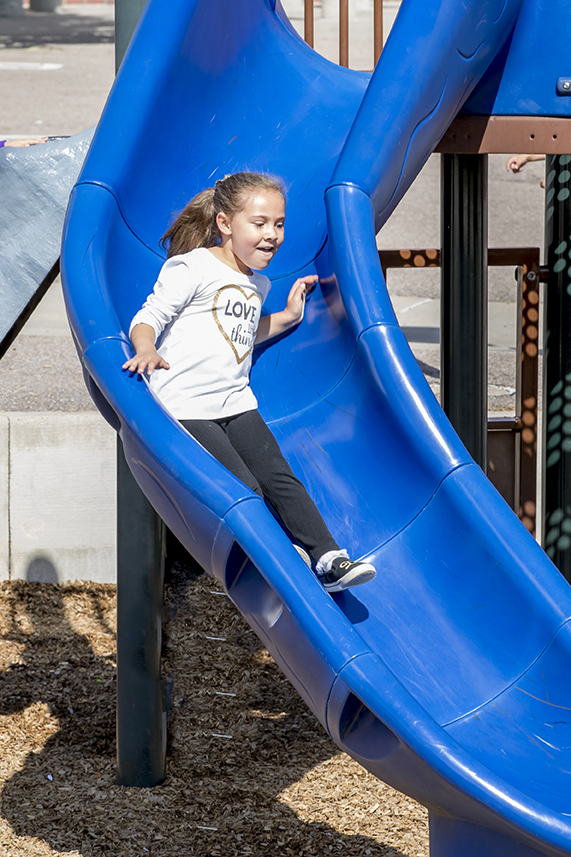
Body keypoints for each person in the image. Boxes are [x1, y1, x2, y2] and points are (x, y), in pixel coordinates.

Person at [123, 172, 376, 593]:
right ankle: (280, 555)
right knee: (245, 486)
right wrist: (145, 348)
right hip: (186, 406)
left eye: (278, 224)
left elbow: (243, 330)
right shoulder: (192, 266)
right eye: (258, 224)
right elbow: (148, 316)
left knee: (281, 479)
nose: (271, 235)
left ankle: (328, 557)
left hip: (235, 402)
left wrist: (290, 317)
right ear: (225, 224)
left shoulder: (258, 283)